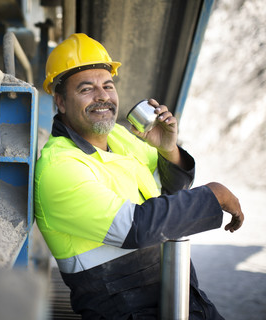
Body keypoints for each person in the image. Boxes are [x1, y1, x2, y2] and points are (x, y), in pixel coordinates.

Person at [34, 33, 244, 319]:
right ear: (60, 101)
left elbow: (172, 191)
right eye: (86, 89)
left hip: (182, 296)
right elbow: (135, 227)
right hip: (124, 310)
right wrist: (213, 195)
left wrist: (168, 149)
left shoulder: (119, 136)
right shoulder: (59, 166)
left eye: (108, 85)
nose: (102, 96)